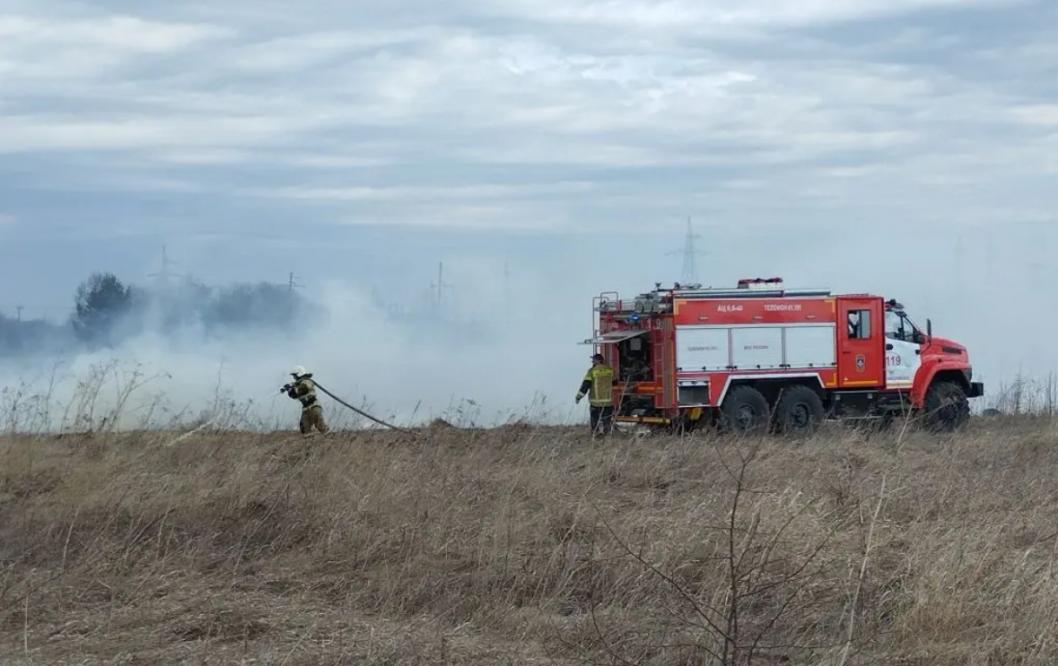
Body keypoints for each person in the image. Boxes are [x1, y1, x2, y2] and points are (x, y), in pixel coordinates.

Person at [576, 353, 616, 436]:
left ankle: (595, 434)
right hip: (608, 402)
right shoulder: (610, 370)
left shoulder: (592, 371)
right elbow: (615, 382)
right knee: (607, 420)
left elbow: (585, 385)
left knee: (594, 419)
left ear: (597, 361)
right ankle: (607, 436)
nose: (592, 362)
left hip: (595, 402)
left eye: (593, 360)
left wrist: (579, 397)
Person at [284, 366, 329, 434]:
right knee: (304, 427)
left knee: (320, 425)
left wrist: (291, 388)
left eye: (295, 375)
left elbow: (303, 389)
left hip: (314, 406)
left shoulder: (307, 381)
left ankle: (330, 439)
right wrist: (289, 390)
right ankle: (310, 443)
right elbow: (294, 395)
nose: (294, 377)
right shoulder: (298, 384)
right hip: (305, 408)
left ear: (299, 374)